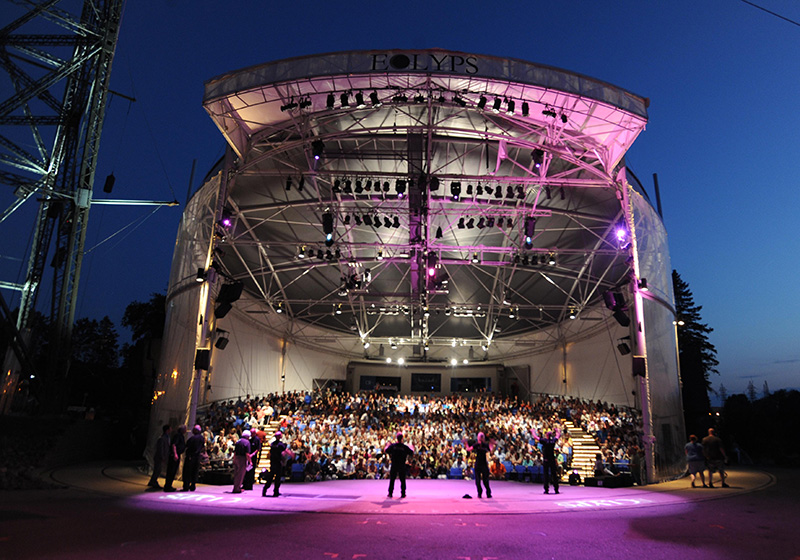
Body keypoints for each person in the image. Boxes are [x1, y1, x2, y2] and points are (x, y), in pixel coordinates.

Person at [262, 431, 293, 497]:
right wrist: (291, 454)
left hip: (273, 463)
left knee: (270, 477)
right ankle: (276, 491)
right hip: (278, 463)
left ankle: (265, 489)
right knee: (277, 478)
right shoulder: (280, 444)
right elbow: (286, 450)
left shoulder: (272, 444)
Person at [531, 426, 561, 494]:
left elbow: (536, 437)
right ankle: (556, 489)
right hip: (552, 459)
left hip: (546, 460)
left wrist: (533, 432)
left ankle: (546, 489)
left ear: (547, 435)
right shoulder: (553, 441)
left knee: (546, 475)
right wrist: (557, 431)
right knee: (554, 474)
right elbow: (558, 436)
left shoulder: (545, 441)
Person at [384, 432, 414, 498]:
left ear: (397, 438)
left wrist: (387, 445)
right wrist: (411, 446)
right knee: (402, 480)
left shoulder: (393, 446)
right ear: (402, 438)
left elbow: (386, 450)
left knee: (392, 479)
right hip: (402, 465)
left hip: (394, 464)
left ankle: (390, 493)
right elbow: (411, 452)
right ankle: (403, 493)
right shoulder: (404, 447)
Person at [465, 432, 493, 498]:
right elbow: (469, 449)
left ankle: (487, 492)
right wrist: (466, 444)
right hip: (479, 464)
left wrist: (466, 444)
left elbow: (490, 451)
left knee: (485, 481)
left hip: (483, 464)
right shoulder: (477, 444)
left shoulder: (485, 445)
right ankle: (480, 493)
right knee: (478, 481)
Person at [182, 425, 205, 491]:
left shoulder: (192, 438)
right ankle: (193, 485)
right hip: (197, 457)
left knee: (187, 471)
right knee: (195, 472)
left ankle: (186, 486)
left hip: (191, 457)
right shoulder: (201, 438)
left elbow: (187, 445)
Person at [163, 425, 186, 492]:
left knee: (173, 471)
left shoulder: (181, 436)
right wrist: (175, 454)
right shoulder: (178, 436)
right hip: (174, 455)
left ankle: (169, 485)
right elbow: (174, 445)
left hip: (177, 455)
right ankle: (167, 486)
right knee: (171, 471)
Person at [147, 424, 170, 489]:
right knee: (157, 470)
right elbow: (161, 448)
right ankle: (153, 481)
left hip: (161, 456)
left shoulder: (166, 437)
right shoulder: (162, 438)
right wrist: (162, 456)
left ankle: (153, 480)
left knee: (158, 470)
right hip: (159, 457)